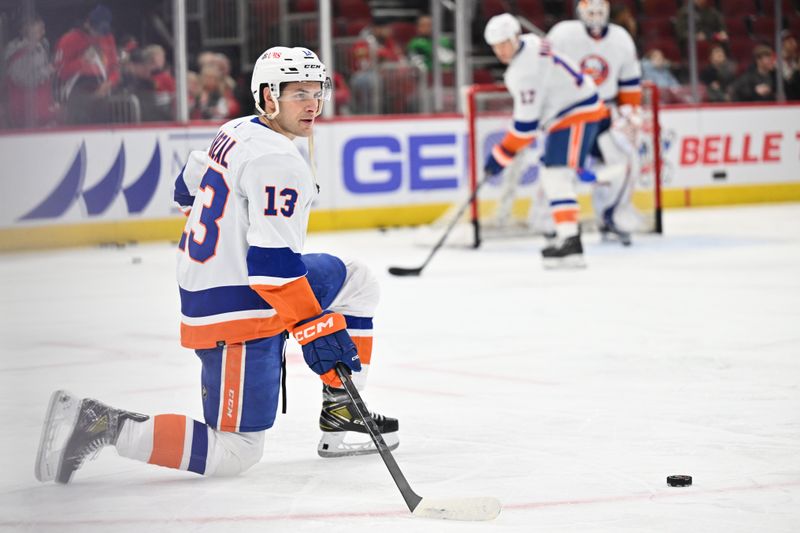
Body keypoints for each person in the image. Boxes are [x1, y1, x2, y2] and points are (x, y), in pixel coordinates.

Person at [35, 47, 398, 485]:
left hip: (215, 284)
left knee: (356, 281)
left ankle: (342, 411)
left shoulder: (237, 130)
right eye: (298, 93)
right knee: (236, 452)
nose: (313, 105)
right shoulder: (278, 161)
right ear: (268, 96)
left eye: (316, 91)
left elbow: (185, 188)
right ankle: (103, 425)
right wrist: (314, 330)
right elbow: (272, 271)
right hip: (238, 306)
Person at [483, 14, 605, 268]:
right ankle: (567, 237)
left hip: (575, 112)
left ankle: (571, 242)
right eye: (496, 46)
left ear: (516, 37)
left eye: (505, 43)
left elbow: (525, 128)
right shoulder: (530, 43)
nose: (501, 50)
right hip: (572, 111)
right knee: (554, 176)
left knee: (556, 177)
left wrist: (499, 156)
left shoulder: (523, 72)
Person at [547, 0, 642, 246]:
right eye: (591, 11)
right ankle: (552, 222)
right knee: (559, 167)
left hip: (606, 112)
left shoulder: (621, 38)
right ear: (580, 12)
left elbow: (629, 82)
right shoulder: (562, 34)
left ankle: (611, 217)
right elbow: (545, 70)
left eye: (600, 11)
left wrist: (629, 113)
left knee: (626, 163)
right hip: (572, 111)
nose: (596, 17)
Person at [53, 4, 120, 124]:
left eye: (102, 32)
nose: (99, 35)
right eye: (97, 30)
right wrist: (81, 62)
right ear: (87, 24)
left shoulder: (108, 38)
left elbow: (114, 68)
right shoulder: (69, 39)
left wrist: (109, 83)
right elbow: (59, 72)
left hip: (103, 97)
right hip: (78, 98)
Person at [3, 15, 56, 128]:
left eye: (43, 28)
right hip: (24, 113)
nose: (43, 32)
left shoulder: (42, 47)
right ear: (27, 29)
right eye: (40, 28)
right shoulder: (17, 52)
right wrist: (48, 70)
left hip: (41, 111)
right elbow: (25, 80)